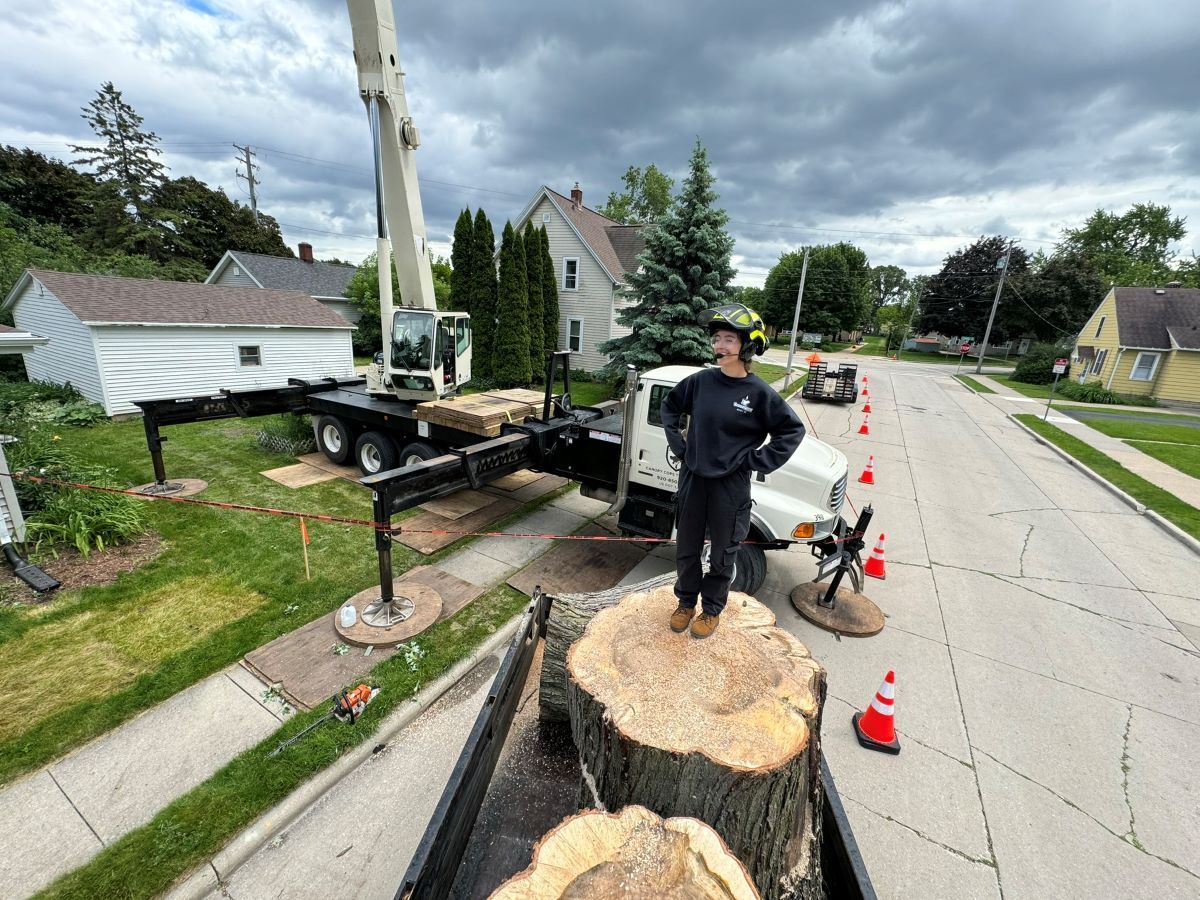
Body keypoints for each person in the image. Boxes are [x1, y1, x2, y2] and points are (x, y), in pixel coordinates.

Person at [659, 303, 806, 639]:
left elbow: (791, 431)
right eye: (717, 338)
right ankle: (685, 602)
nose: (720, 346)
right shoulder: (699, 382)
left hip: (731, 487)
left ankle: (711, 610)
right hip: (694, 480)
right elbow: (669, 408)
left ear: (748, 346)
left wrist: (754, 460)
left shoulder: (759, 394)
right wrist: (680, 447)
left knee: (724, 553)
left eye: (729, 339)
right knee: (687, 549)